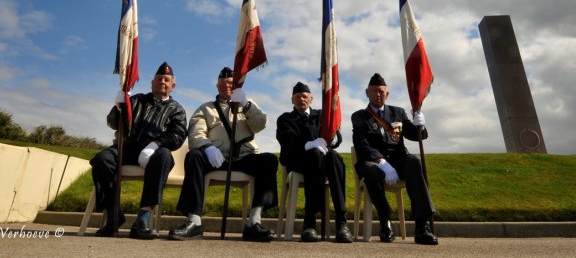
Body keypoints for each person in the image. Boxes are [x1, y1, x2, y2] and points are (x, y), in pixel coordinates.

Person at [169, 67, 278, 242]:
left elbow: (261, 123)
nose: (228, 86)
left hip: (244, 157)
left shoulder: (246, 104)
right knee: (194, 156)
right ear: (217, 86)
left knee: (269, 161)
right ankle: (194, 221)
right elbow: (196, 134)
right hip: (216, 157)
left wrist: (246, 105)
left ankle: (254, 222)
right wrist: (207, 147)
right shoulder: (205, 109)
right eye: (224, 83)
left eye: (231, 83)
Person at [90, 61, 187, 239]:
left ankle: (143, 218)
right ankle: (113, 213)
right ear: (152, 83)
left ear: (172, 86)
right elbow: (114, 123)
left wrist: (156, 144)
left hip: (155, 153)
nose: (162, 82)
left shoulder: (177, 110)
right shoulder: (136, 100)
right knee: (101, 159)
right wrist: (118, 107)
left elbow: (178, 135)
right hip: (128, 148)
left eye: (166, 80)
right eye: (158, 79)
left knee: (165, 157)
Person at [351, 73, 438, 245]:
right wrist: (381, 161)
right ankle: (386, 222)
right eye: (374, 91)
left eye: (381, 92)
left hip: (398, 160)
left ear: (387, 94)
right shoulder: (359, 116)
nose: (378, 95)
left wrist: (420, 124)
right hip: (372, 161)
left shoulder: (398, 112)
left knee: (414, 161)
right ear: (367, 93)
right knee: (371, 171)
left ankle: (422, 226)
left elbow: (415, 135)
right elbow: (361, 144)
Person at [276, 81, 353, 243]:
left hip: (324, 161)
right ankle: (309, 221)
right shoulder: (286, 119)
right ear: (292, 100)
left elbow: (337, 137)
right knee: (314, 156)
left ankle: (341, 221)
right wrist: (308, 144)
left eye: (304, 96)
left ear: (311, 98)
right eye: (297, 97)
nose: (301, 99)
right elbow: (287, 139)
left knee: (334, 157)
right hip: (298, 162)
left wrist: (332, 138)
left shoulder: (323, 116)